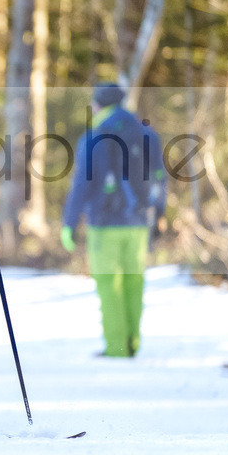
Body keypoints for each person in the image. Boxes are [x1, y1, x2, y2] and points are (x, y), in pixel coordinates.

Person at [61, 83, 167, 358]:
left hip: (104, 223)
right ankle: (132, 343)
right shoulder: (146, 134)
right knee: (134, 282)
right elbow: (159, 177)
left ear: (98, 105)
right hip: (139, 222)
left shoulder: (94, 136)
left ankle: (117, 347)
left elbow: (82, 183)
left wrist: (69, 223)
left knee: (110, 285)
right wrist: (160, 214)